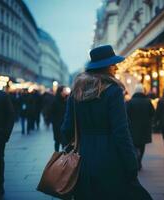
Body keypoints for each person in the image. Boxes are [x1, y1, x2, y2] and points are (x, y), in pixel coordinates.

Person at [61, 45, 152, 200]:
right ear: (106, 67)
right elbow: (121, 131)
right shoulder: (113, 91)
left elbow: (66, 129)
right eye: (112, 64)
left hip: (82, 159)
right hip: (110, 159)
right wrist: (131, 162)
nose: (115, 67)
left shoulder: (76, 92)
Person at [127, 84, 155, 170]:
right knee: (142, 145)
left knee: (134, 145)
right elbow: (152, 113)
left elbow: (126, 114)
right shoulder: (148, 101)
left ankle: (136, 160)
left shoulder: (130, 102)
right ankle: (139, 161)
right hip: (145, 127)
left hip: (133, 127)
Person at [51, 86, 67, 152]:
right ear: (60, 92)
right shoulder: (55, 101)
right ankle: (56, 155)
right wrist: (55, 123)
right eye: (64, 90)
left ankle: (64, 158)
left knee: (64, 142)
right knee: (57, 141)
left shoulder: (66, 100)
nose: (65, 92)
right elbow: (52, 113)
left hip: (64, 124)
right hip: (57, 124)